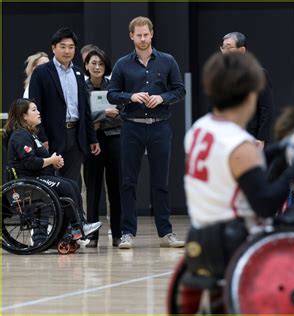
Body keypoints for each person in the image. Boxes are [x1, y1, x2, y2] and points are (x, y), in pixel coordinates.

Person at [183, 52, 294, 299]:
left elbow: (231, 168)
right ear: (250, 96)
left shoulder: (199, 129)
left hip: (200, 235)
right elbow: (266, 204)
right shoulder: (240, 144)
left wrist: (280, 147)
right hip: (235, 241)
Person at [107, 16, 186, 249]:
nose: (142, 38)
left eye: (146, 34)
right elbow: (112, 94)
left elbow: (180, 90)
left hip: (160, 126)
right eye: (138, 35)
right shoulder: (122, 64)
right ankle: (127, 232)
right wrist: (129, 96)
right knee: (128, 181)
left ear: (152, 34)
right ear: (131, 36)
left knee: (160, 182)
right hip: (131, 126)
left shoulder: (168, 61)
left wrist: (162, 97)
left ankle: (166, 232)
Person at [4, 98, 102, 243]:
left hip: (36, 178)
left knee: (72, 185)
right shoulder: (20, 136)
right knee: (67, 187)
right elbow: (30, 162)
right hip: (27, 182)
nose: (38, 113)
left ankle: (75, 226)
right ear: (23, 116)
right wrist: (51, 160)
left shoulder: (30, 134)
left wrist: (53, 162)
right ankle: (77, 226)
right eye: (34, 110)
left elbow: (38, 159)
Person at [28, 27, 100, 186]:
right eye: (62, 46)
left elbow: (85, 110)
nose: (67, 51)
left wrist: (92, 137)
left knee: (72, 184)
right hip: (51, 136)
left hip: (76, 135)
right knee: (49, 182)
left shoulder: (79, 73)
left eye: (71, 47)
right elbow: (34, 107)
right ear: (53, 48)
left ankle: (70, 212)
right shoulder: (41, 72)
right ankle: (52, 212)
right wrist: (41, 136)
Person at [83, 49, 122, 248]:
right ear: (87, 66)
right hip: (92, 140)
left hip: (114, 139)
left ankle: (118, 234)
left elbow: (122, 115)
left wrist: (96, 117)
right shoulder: (82, 87)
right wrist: (104, 113)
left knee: (115, 187)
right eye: (93, 63)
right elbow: (82, 115)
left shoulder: (114, 87)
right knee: (93, 188)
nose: (97, 67)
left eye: (101, 64)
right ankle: (92, 235)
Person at [220, 32, 273, 149]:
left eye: (229, 47)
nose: (225, 51)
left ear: (242, 50)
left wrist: (261, 137)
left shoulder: (257, 73)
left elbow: (266, 108)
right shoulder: (220, 74)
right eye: (223, 47)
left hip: (249, 134)